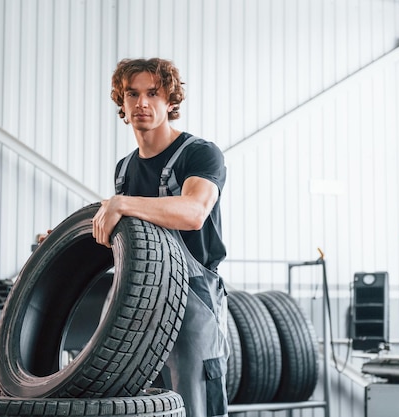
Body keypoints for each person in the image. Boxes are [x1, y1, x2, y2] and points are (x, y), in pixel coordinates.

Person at [92, 58, 229, 417]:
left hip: (193, 296)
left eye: (153, 93)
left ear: (170, 100)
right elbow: (124, 240)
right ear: (121, 103)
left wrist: (121, 203)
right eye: (132, 94)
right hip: (136, 299)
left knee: (195, 401)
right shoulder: (124, 169)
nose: (142, 103)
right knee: (137, 403)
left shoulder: (200, 154)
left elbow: (194, 213)